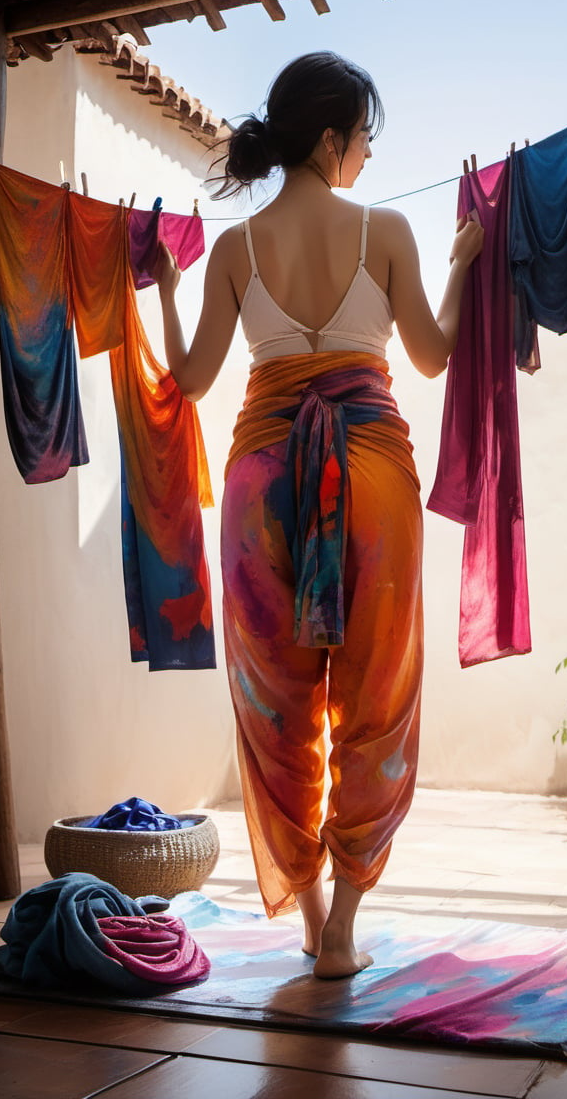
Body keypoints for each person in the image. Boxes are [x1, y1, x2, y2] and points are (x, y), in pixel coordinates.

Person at [154, 52, 483, 978]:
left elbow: (189, 380)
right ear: (332, 138)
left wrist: (172, 292)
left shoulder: (229, 250)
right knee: (375, 697)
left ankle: (304, 918)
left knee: (276, 703)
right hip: (371, 473)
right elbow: (431, 354)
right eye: (365, 139)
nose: (371, 158)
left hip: (262, 480)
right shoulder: (388, 230)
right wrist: (458, 265)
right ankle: (341, 926)